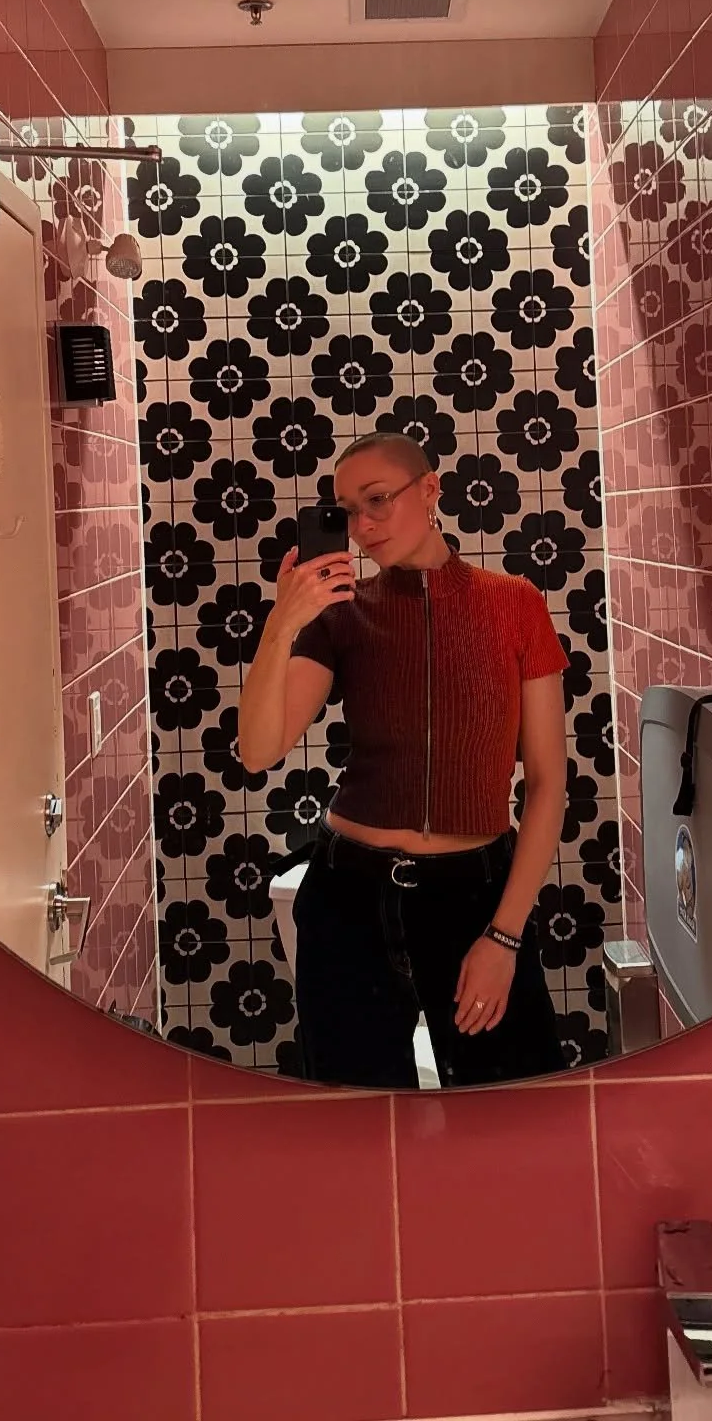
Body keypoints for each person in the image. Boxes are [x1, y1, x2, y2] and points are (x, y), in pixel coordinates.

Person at [238, 431, 570, 1088]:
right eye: (346, 511)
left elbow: (547, 783)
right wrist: (283, 623)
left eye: (377, 499)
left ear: (430, 490)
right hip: (348, 900)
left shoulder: (516, 605)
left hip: (474, 896)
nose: (362, 525)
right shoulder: (343, 617)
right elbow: (258, 750)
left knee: (513, 1112)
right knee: (357, 1124)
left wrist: (504, 936)